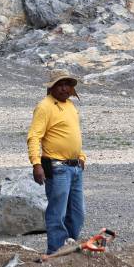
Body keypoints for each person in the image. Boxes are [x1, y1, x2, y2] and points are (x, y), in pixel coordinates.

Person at [27, 71, 86, 255]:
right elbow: (34, 137)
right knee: (57, 212)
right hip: (57, 166)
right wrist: (36, 164)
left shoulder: (70, 105)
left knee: (77, 213)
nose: (64, 88)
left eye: (68, 84)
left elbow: (73, 134)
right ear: (51, 86)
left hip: (75, 166)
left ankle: (69, 246)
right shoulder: (44, 106)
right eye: (60, 84)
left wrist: (81, 155)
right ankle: (55, 250)